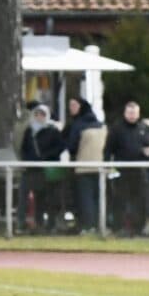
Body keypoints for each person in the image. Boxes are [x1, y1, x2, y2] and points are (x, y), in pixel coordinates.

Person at [107, 100, 149, 237]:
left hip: (140, 171)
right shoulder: (117, 129)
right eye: (130, 112)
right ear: (125, 113)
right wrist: (107, 166)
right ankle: (118, 228)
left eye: (134, 112)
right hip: (123, 170)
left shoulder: (143, 129)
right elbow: (108, 149)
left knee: (140, 201)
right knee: (120, 200)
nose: (132, 115)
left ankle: (139, 228)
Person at [62, 95, 107, 233]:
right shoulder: (101, 125)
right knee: (98, 197)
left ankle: (88, 226)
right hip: (100, 167)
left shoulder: (77, 125)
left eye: (74, 105)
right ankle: (100, 225)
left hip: (83, 166)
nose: (71, 109)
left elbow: (71, 146)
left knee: (85, 198)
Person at [18, 103, 65, 230]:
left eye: (42, 114)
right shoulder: (29, 131)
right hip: (31, 169)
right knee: (25, 195)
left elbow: (60, 147)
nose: (39, 117)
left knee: (47, 197)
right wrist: (27, 160)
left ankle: (50, 223)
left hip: (47, 170)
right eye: (37, 114)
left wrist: (46, 157)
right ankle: (23, 223)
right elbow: (24, 148)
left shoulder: (53, 131)